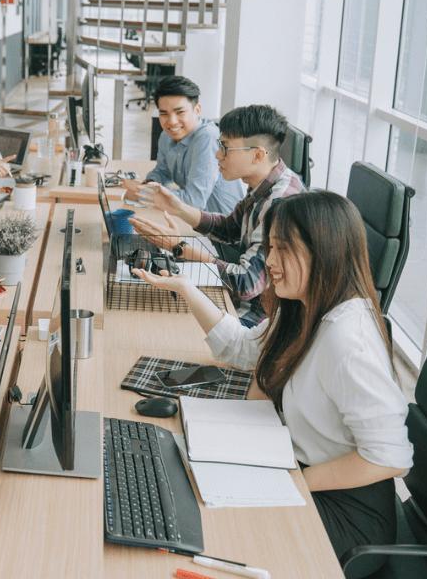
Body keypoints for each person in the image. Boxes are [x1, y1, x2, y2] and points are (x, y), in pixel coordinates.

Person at [132, 191, 411, 576]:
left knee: (211, 528)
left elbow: (390, 457)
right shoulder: (303, 307)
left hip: (345, 512)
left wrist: (294, 481)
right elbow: (242, 348)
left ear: (323, 253)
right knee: (180, 480)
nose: (270, 261)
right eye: (271, 247)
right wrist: (185, 288)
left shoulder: (348, 340)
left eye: (283, 249)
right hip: (292, 464)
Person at [130, 104, 305, 326]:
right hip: (243, 300)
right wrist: (179, 208)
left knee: (163, 320)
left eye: (225, 147)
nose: (217, 154)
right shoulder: (262, 183)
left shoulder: (279, 203)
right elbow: (230, 229)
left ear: (258, 155)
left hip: (262, 318)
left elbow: (246, 283)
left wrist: (180, 247)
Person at [122, 75, 243, 214]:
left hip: (222, 223)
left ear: (197, 110)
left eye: (180, 112)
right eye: (164, 114)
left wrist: (144, 193)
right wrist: (148, 184)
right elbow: (162, 171)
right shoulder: (166, 135)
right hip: (193, 218)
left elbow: (194, 201)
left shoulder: (207, 138)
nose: (171, 121)